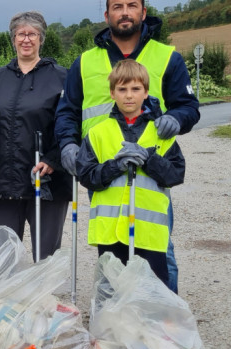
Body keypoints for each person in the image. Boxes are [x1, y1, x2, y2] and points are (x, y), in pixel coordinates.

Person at [54, 0, 200, 292]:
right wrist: (68, 145)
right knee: (110, 250)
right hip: (102, 167)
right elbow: (68, 110)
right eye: (117, 6)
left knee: (159, 246)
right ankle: (114, 321)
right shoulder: (84, 62)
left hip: (150, 174)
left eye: (132, 5)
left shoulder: (167, 57)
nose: (125, 12)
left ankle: (165, 319)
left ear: (143, 12)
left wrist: (176, 118)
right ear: (107, 15)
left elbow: (188, 107)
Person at [76, 59, 184, 285]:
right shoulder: (98, 133)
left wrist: (149, 160)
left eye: (136, 89)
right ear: (112, 93)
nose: (128, 95)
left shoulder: (160, 133)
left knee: (151, 291)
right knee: (112, 291)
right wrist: (115, 166)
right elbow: (86, 175)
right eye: (122, 89)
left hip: (148, 232)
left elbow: (175, 174)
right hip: (111, 233)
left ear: (146, 93)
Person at [0, 11, 70, 262]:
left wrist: (54, 160)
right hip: (4, 180)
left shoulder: (62, 77)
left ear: (41, 38)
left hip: (47, 180)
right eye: (21, 34)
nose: (27, 39)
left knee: (46, 255)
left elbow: (72, 125)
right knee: (1, 254)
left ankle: (42, 299)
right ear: (13, 39)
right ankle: (4, 299)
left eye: (32, 34)